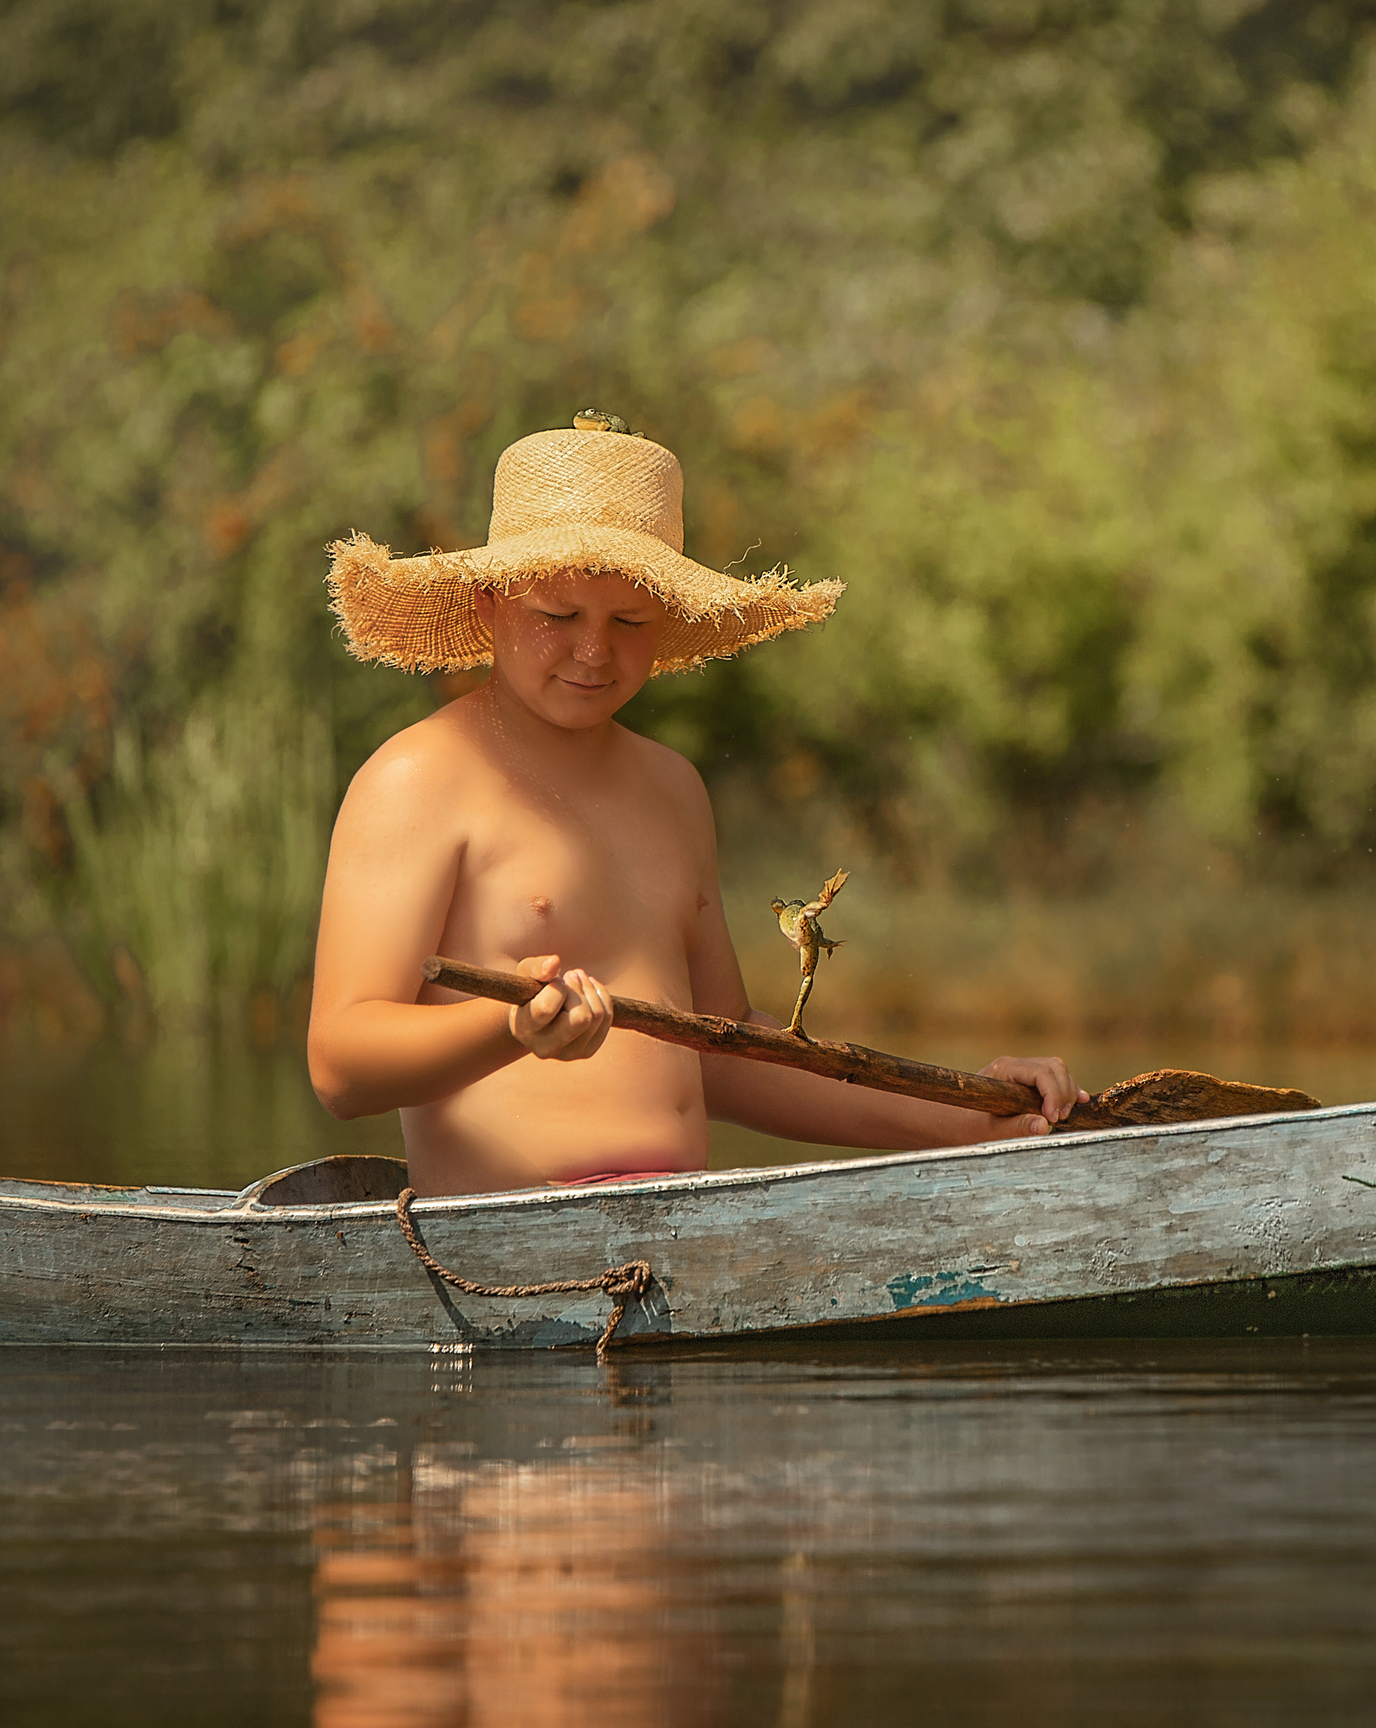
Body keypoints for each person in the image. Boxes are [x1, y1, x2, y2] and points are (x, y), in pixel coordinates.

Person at [306, 417, 1086, 1196]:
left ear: (667, 621)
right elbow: (340, 1066)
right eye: (557, 616)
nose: (592, 651)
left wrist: (977, 1116)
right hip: (512, 1249)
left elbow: (725, 1053)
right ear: (488, 605)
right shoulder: (419, 778)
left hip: (683, 1229)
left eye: (629, 623)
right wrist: (507, 1025)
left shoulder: (672, 787)